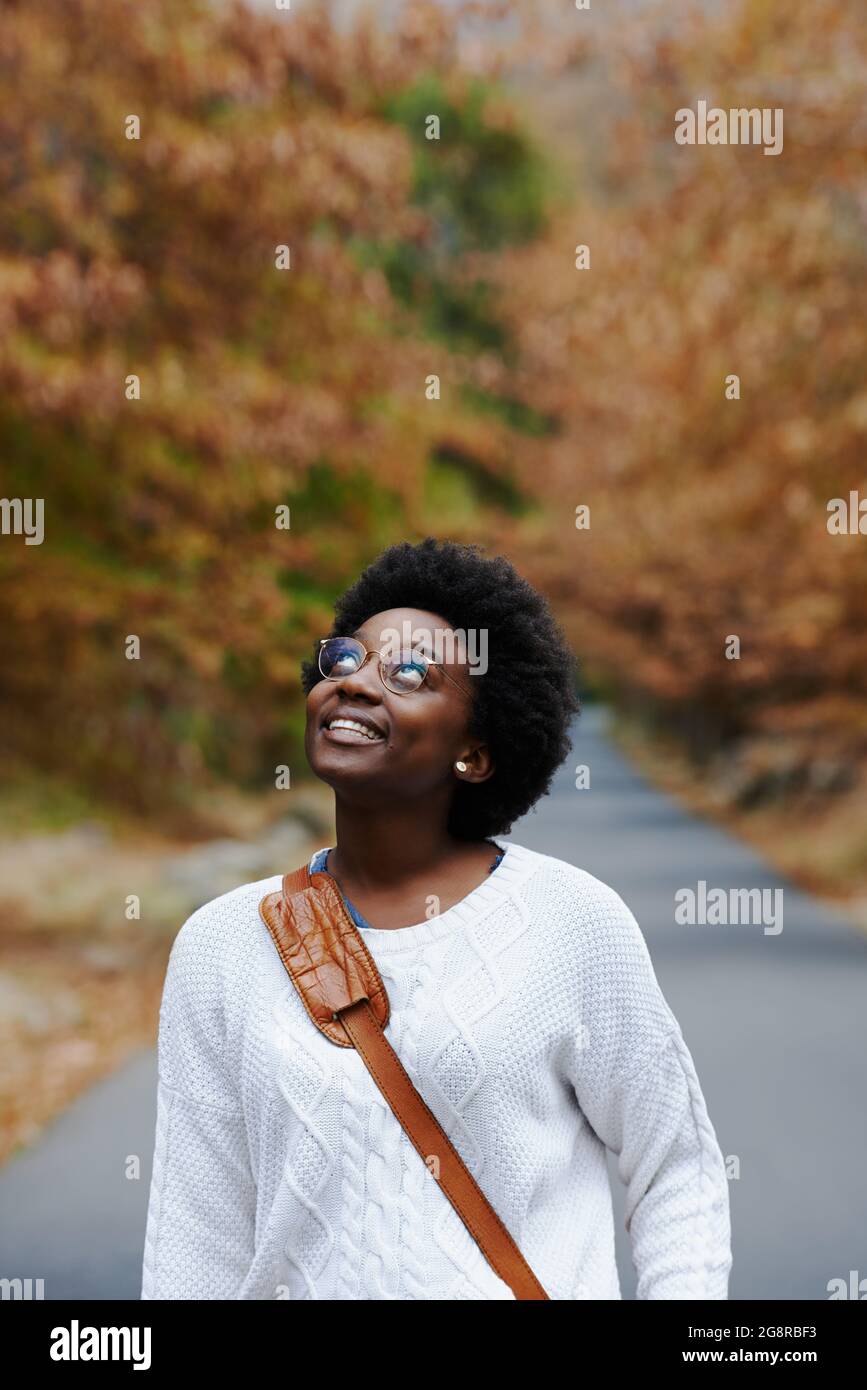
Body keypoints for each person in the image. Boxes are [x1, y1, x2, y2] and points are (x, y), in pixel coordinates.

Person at [140, 537, 732, 1300]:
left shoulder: (572, 922)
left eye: (409, 674)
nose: (355, 685)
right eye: (344, 660)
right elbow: (197, 1228)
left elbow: (674, 1169)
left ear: (475, 754)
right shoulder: (222, 943)